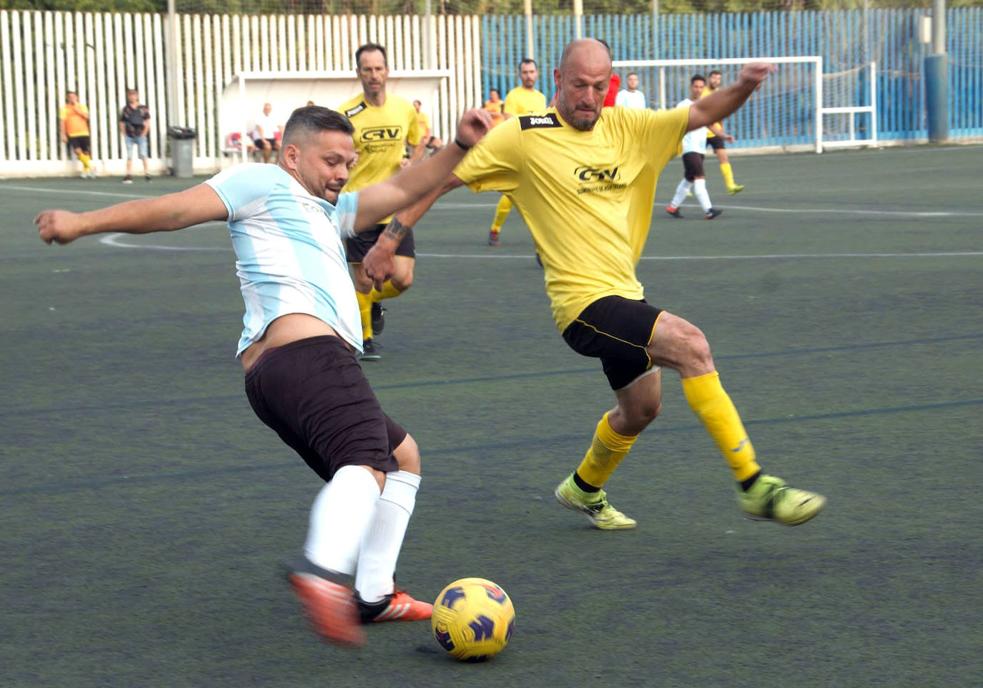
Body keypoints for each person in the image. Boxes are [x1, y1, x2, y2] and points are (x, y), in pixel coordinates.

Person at [36, 104, 492, 648]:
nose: (342, 172)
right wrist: (81, 223)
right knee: (368, 461)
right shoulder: (263, 181)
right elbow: (177, 209)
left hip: (282, 375)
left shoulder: (328, 210)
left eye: (348, 162)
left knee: (402, 459)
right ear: (292, 154)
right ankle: (322, 570)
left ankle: (373, 594)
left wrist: (461, 146)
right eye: (330, 160)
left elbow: (397, 191)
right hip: (307, 355)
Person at [365, 39, 825, 532]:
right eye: (578, 85)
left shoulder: (632, 127)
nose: (588, 96)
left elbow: (702, 111)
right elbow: (439, 177)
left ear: (610, 83)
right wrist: (390, 239)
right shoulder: (522, 135)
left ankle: (583, 487)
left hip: (624, 295)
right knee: (692, 345)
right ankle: (753, 484)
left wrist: (745, 85)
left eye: (598, 86)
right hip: (582, 306)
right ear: (558, 81)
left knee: (642, 409)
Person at [337, 43, 426, 361]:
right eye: (367, 69)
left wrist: (411, 163)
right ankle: (365, 338)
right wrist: (345, 161)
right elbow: (331, 156)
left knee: (403, 278)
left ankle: (371, 304)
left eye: (378, 68)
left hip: (394, 206)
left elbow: (419, 142)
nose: (373, 75)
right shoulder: (345, 114)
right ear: (358, 73)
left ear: (387, 71)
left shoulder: (404, 109)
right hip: (358, 207)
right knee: (362, 279)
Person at [488, 58, 547, 247]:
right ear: (519, 75)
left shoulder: (540, 97)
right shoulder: (513, 96)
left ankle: (543, 242)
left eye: (531, 72)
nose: (528, 75)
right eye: (525, 72)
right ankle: (495, 229)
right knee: (511, 194)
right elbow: (511, 122)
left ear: (537, 74)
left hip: (537, 152)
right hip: (519, 151)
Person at [665, 75, 722, 221]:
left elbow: (709, 123)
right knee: (699, 177)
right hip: (689, 148)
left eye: (701, 87)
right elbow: (674, 123)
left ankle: (673, 206)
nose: (698, 89)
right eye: (696, 86)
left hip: (700, 147)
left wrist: (722, 134)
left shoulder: (704, 105)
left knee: (689, 178)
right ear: (691, 87)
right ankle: (708, 210)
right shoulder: (684, 105)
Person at [703, 70, 743, 194]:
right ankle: (686, 187)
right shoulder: (702, 92)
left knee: (724, 158)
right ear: (709, 79)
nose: (716, 81)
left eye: (718, 79)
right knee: (696, 163)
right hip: (701, 132)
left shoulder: (719, 93)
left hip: (716, 132)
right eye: (714, 78)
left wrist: (721, 129)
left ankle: (730, 185)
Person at [119, 88, 152, 184]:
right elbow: (122, 122)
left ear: (137, 96)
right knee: (129, 155)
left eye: (133, 95)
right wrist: (124, 133)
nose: (132, 97)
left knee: (143, 154)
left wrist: (144, 132)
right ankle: (128, 174)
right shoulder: (126, 109)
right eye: (130, 95)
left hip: (140, 134)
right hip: (129, 134)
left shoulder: (143, 108)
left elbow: (147, 121)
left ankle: (147, 173)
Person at [60, 91, 94, 178]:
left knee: (86, 152)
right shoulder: (64, 108)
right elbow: (62, 122)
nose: (72, 98)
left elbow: (87, 117)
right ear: (67, 98)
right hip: (72, 133)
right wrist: (63, 134)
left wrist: (77, 110)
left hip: (84, 132)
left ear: (77, 97)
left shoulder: (82, 106)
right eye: (70, 97)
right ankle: (90, 167)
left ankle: (86, 170)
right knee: (77, 151)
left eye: (73, 97)